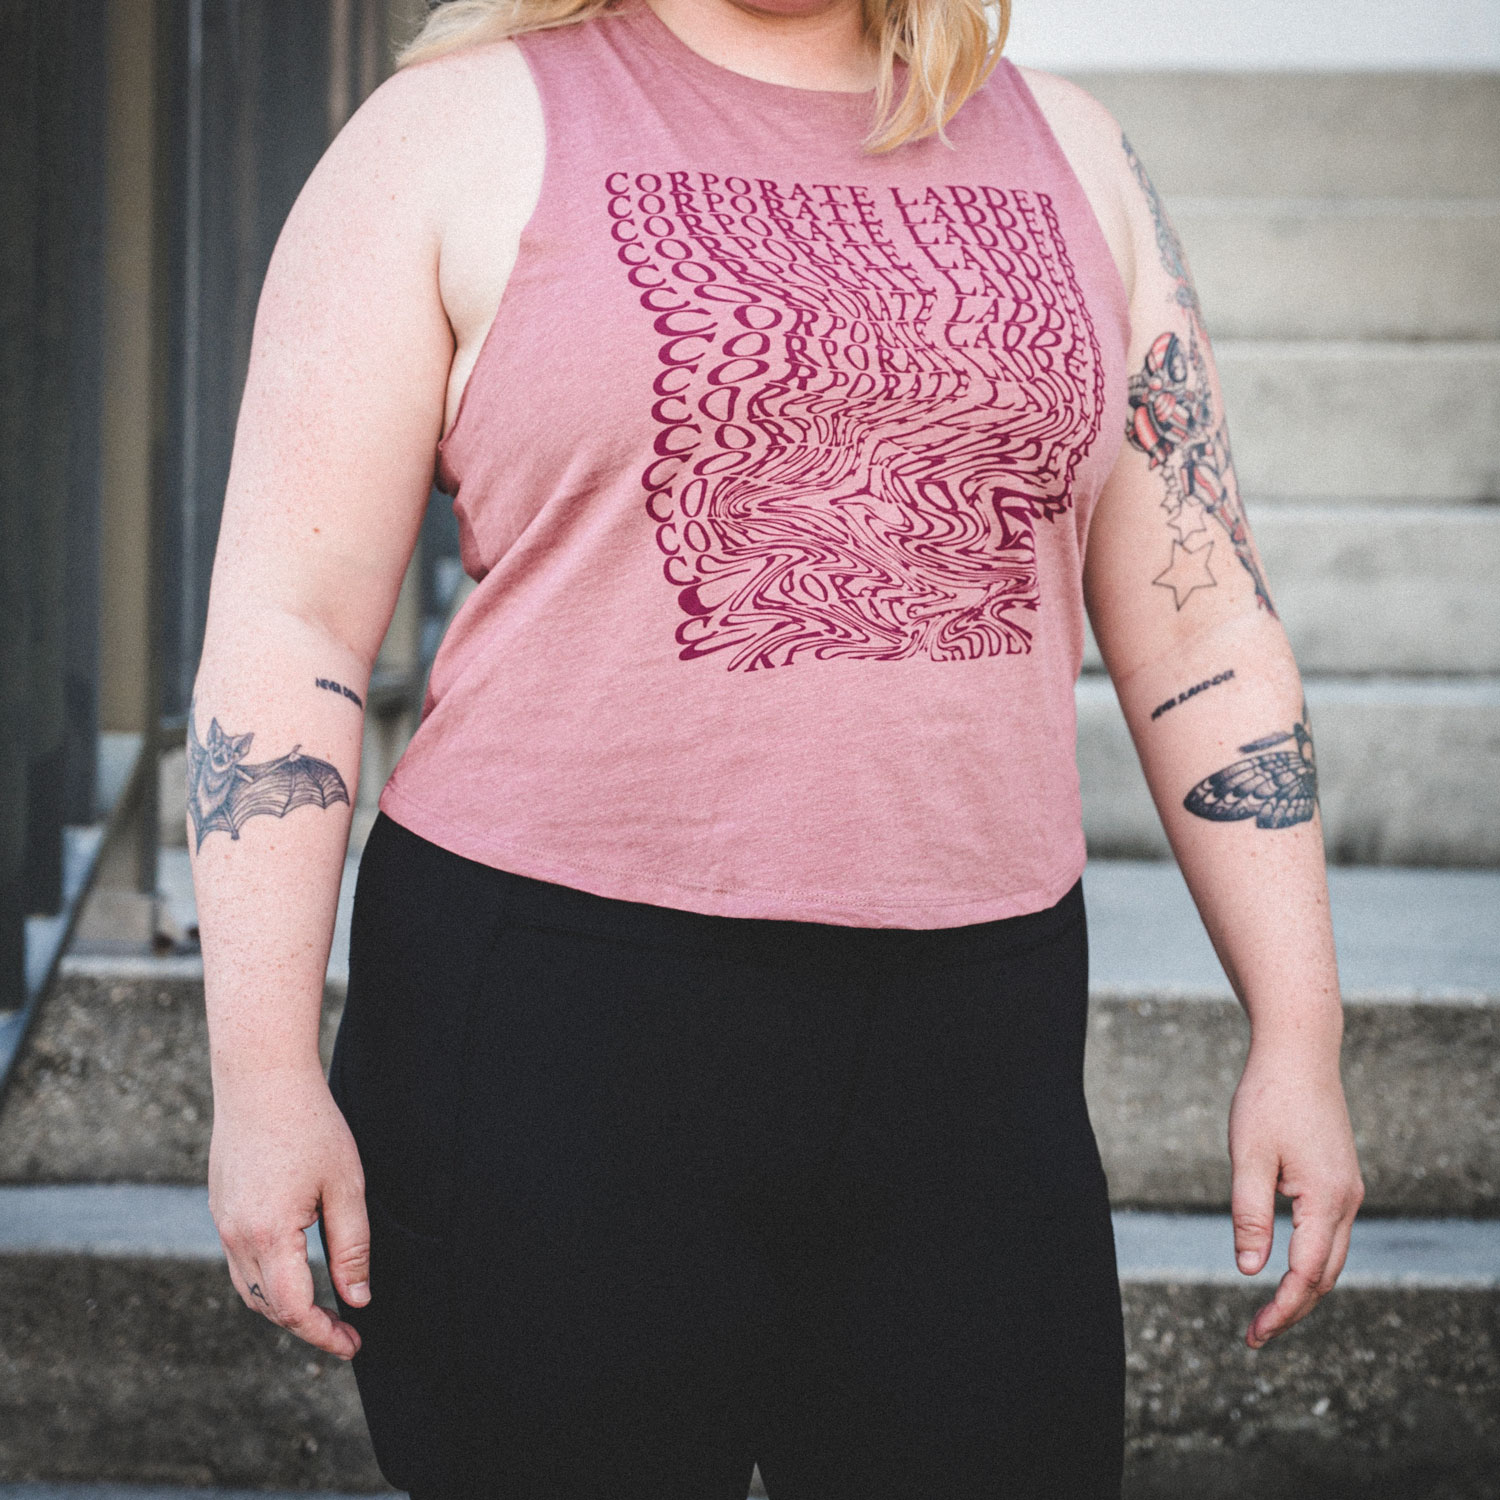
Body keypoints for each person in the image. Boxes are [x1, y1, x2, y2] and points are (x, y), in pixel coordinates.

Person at [189, 0, 1365, 1495]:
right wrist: (262, 1071)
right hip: (556, 1017)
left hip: (973, 1032)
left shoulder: (1074, 152)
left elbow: (1202, 626)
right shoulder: (448, 133)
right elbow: (290, 625)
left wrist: (1299, 1032)